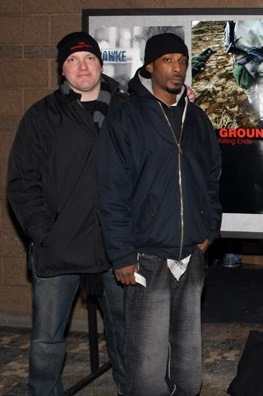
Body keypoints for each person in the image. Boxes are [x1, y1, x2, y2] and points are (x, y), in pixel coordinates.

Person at [96, 32, 223, 395]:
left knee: (188, 350)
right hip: (146, 255)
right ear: (150, 66)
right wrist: (121, 254)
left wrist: (209, 230)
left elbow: (213, 178)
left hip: (191, 253)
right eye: (168, 60)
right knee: (147, 357)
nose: (177, 68)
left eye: (182, 61)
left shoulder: (196, 118)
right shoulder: (126, 117)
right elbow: (111, 190)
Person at [6, 32, 127, 395]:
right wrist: (46, 233)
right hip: (59, 248)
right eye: (73, 60)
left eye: (89, 58)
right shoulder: (42, 116)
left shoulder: (126, 109)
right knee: (47, 340)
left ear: (101, 64)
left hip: (116, 249)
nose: (82, 66)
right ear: (62, 69)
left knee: (126, 333)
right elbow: (21, 182)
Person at [224, 19, 263, 125]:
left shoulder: (233, 18)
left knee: (248, 87)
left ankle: (252, 103)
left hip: (243, 64)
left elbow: (227, 43)